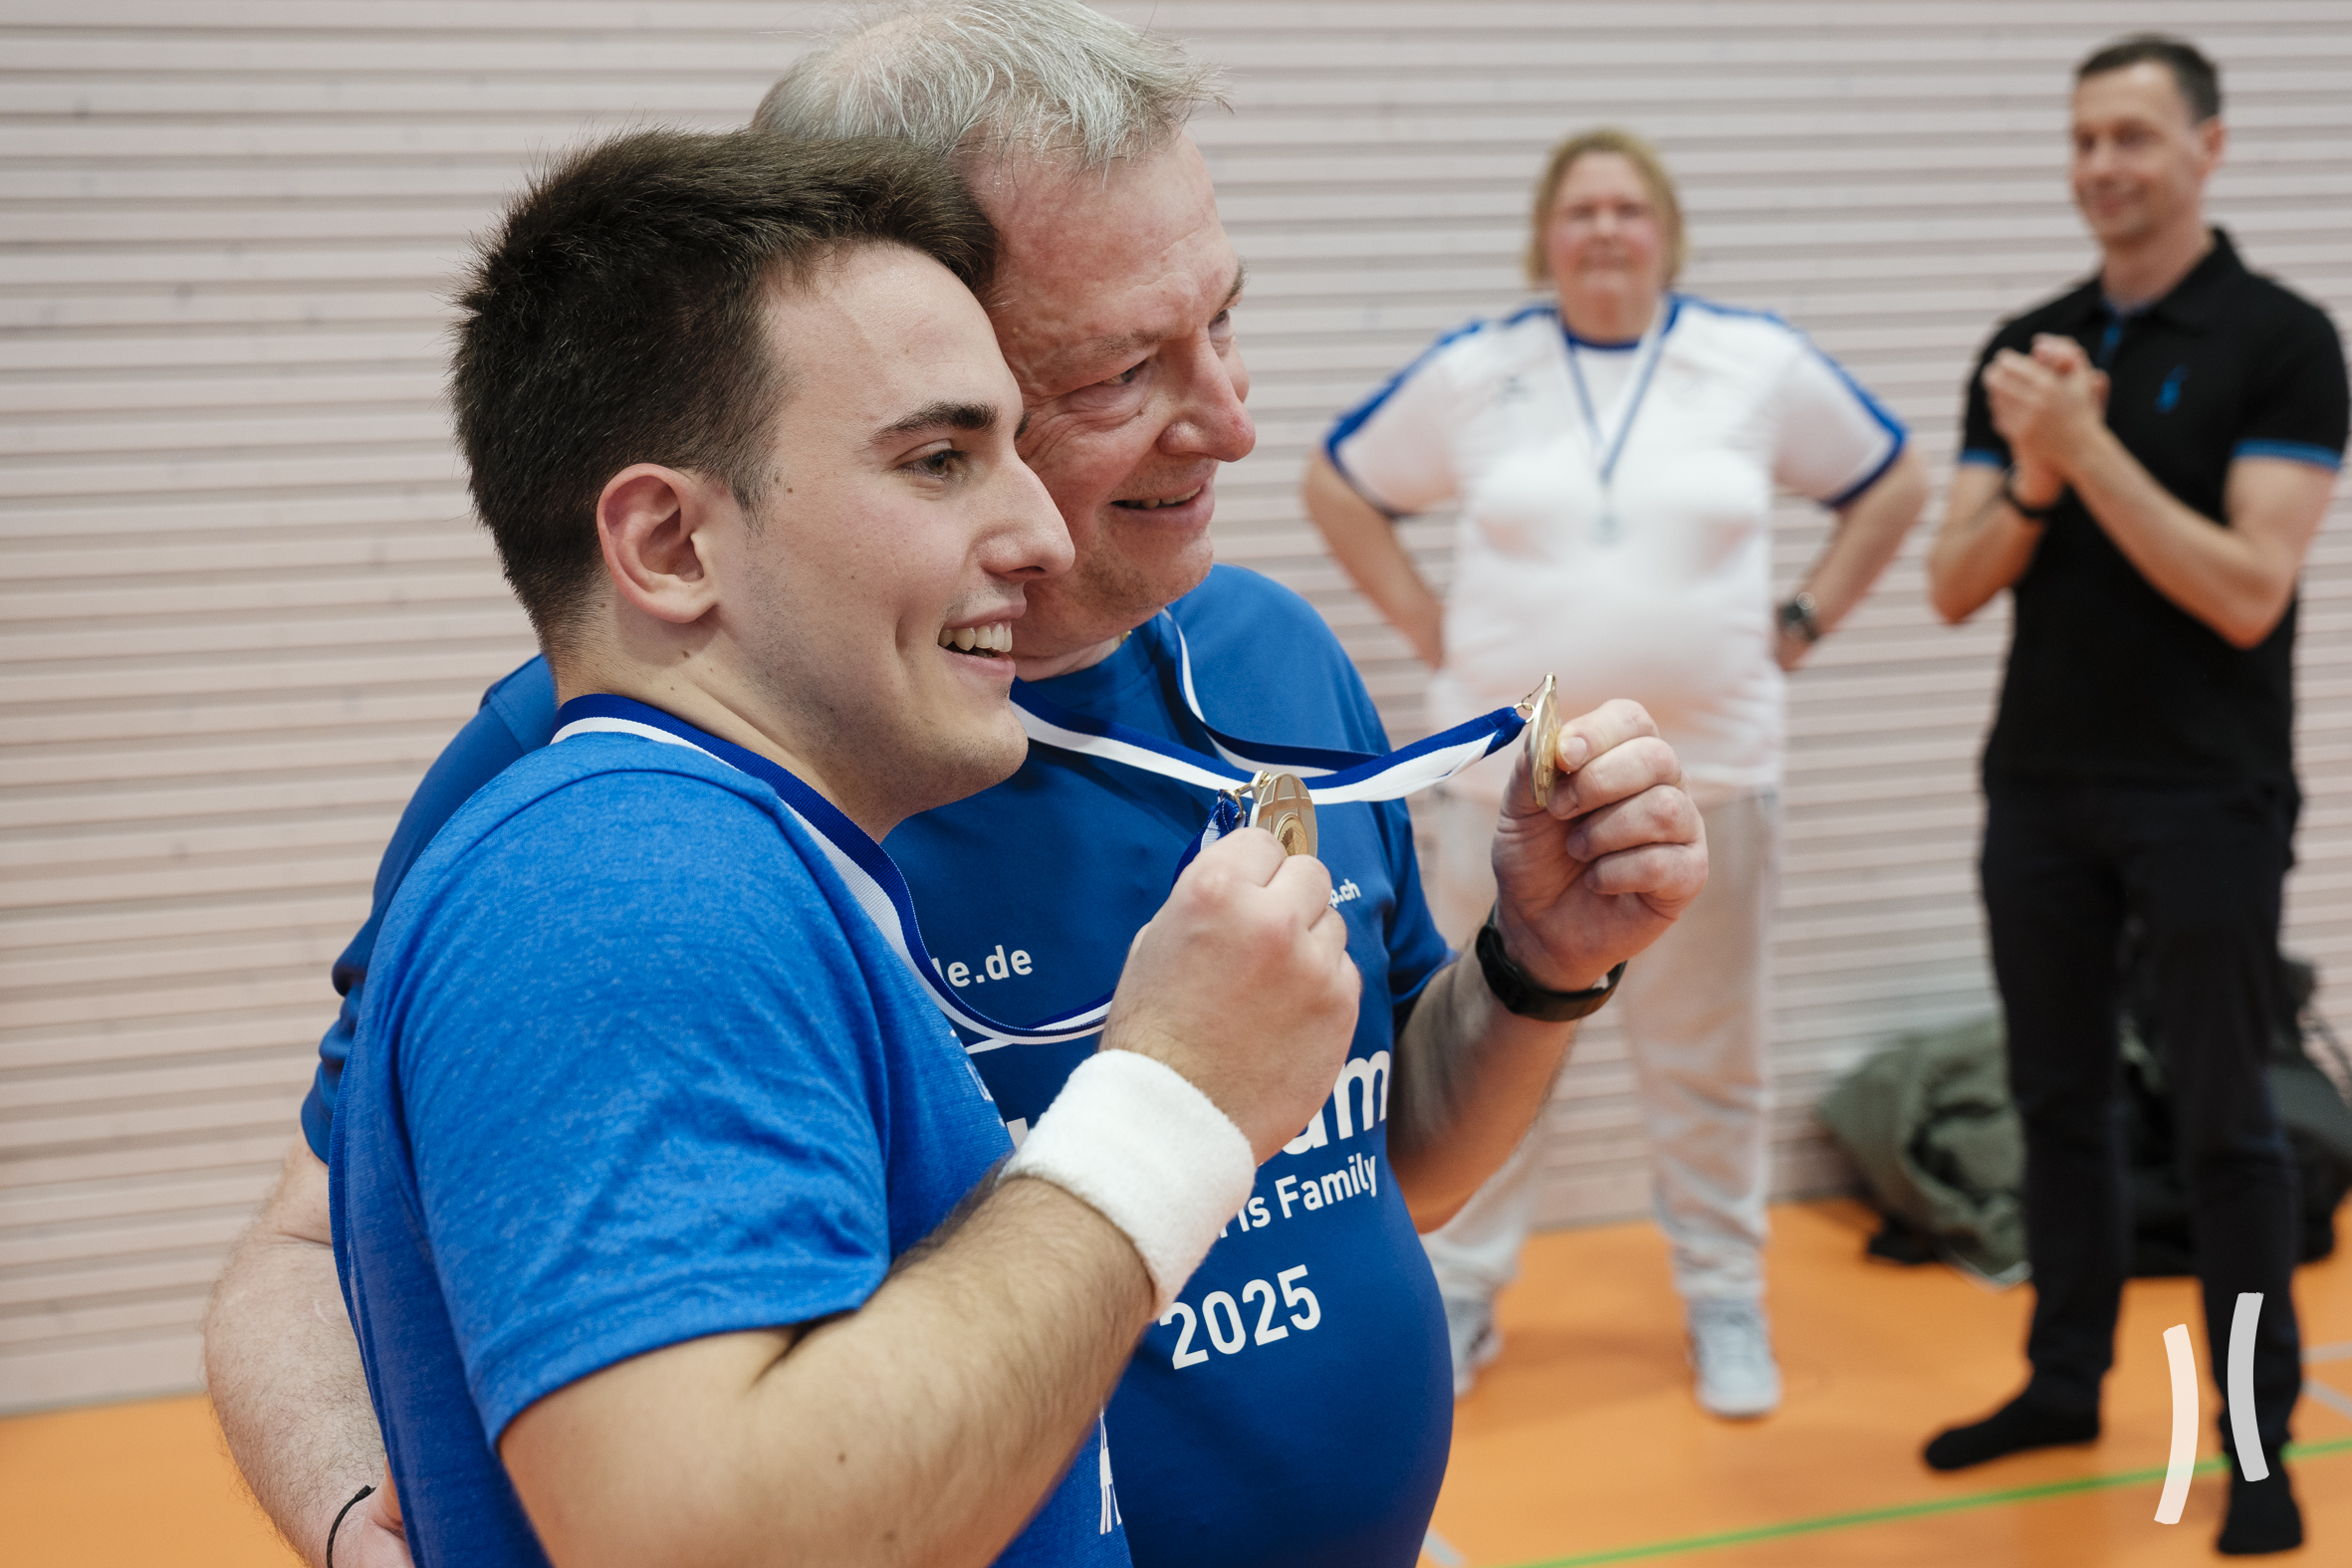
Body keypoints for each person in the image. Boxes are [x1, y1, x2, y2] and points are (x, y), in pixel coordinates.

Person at [201, 7, 1709, 1568]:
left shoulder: (1267, 658)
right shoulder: (621, 815)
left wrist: (1537, 970)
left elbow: (1366, 1159)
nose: (1233, 422)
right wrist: (356, 1515)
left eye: (1222, 320)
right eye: (1116, 372)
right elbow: (325, 1246)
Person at [318, 123, 1385, 1567]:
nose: (1041, 538)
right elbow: (711, 1544)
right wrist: (1174, 1101)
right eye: (940, 460)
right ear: (669, 546)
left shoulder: (721, 860)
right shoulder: (624, 891)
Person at [1303, 126, 1926, 1416]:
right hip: (1500, 790)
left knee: (1709, 1061)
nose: (1602, 230)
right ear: (1543, 235)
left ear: (1666, 234)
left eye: (1626, 209)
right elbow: (1336, 484)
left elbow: (1891, 481)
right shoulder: (1477, 370)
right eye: (1578, 209)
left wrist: (1800, 622)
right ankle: (1459, 1292)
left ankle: (1723, 1296)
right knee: (1475, 1046)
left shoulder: (1752, 363)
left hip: (1710, 780)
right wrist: (1429, 630)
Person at [1919, 35, 2345, 1556]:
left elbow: (2243, 588)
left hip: (2206, 796)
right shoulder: (2027, 347)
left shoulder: (2281, 342)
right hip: (2038, 789)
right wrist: (2037, 473)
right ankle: (2060, 1383)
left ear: (2205, 149)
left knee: (2227, 1128)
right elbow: (1952, 582)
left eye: (2132, 137)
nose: (2101, 165)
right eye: (2083, 138)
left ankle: (2254, 1451)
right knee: (2058, 1105)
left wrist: (2079, 447)